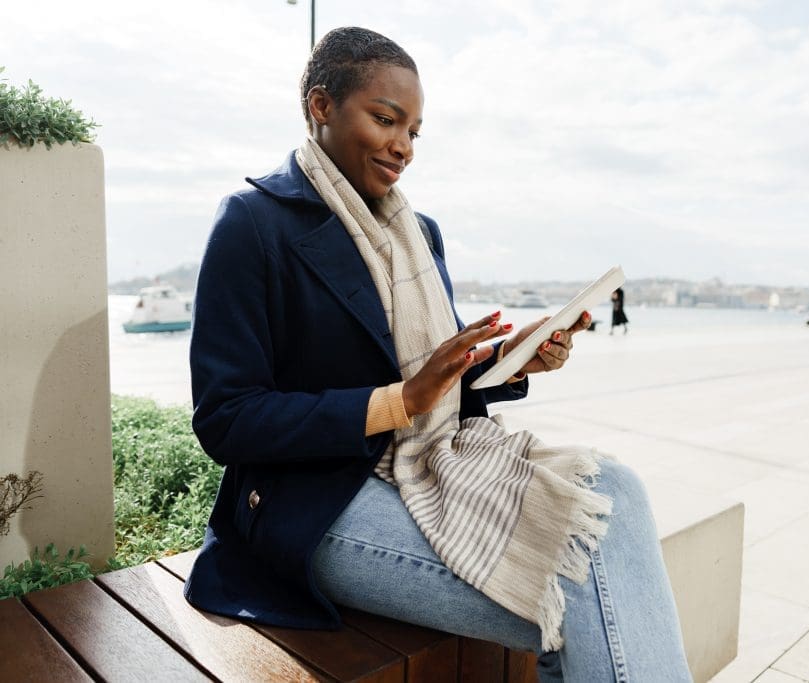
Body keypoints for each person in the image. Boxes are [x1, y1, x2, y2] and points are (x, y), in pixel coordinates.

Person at [184, 27, 691, 682]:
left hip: (431, 464)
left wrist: (512, 358)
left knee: (618, 488)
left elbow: (435, 376)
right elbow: (226, 418)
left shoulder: (419, 233)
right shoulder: (254, 222)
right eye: (385, 119)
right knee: (582, 583)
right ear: (321, 106)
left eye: (414, 131)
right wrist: (397, 402)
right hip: (313, 503)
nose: (404, 146)